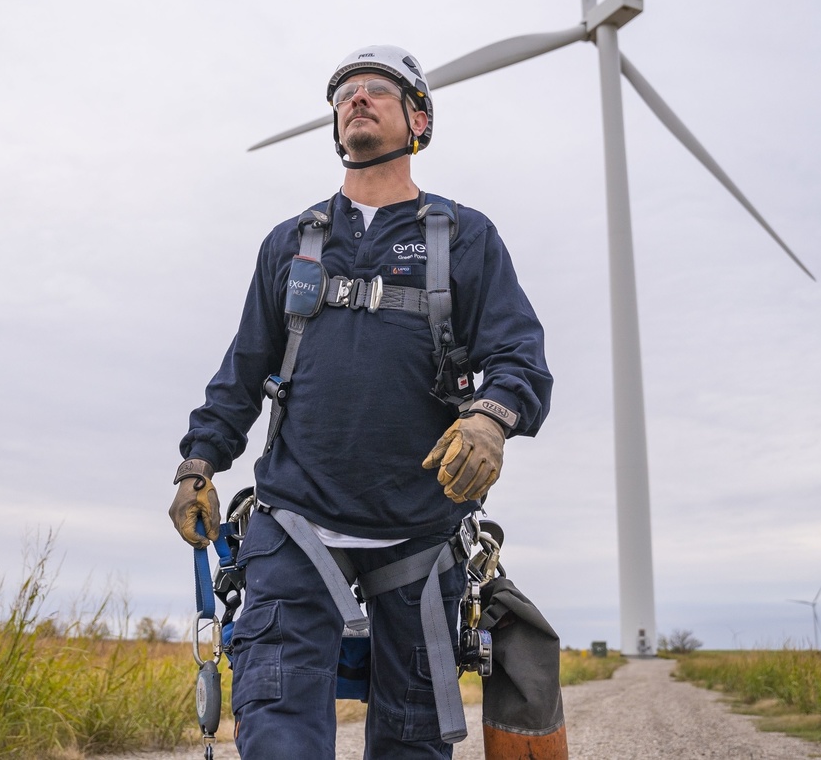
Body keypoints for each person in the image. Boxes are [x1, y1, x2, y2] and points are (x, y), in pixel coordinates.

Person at [170, 45, 552, 759]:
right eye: (345, 92)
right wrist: (198, 464)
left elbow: (520, 359)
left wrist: (490, 420)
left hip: (420, 531)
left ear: (419, 119)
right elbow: (243, 369)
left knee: (412, 743)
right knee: (278, 735)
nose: (358, 98)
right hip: (295, 522)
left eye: (378, 88)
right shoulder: (292, 243)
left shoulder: (464, 239)